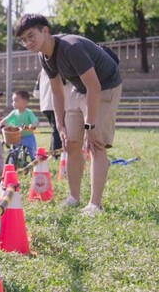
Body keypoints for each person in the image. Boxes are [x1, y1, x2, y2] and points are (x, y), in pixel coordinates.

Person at [15, 14, 122, 216]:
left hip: (105, 86)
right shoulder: (43, 56)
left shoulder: (70, 48)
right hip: (79, 89)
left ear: (45, 30)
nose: (28, 42)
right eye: (24, 40)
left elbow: (95, 87)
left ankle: (94, 204)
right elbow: (56, 91)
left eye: (31, 36)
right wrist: (60, 126)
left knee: (95, 143)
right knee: (71, 142)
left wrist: (90, 128)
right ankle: (74, 197)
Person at [0, 91, 39, 161]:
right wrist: (1, 123)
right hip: (16, 137)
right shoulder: (14, 113)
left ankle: (35, 165)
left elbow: (35, 121)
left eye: (16, 100)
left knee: (33, 153)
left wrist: (32, 125)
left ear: (24, 102)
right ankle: (12, 166)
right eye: (13, 101)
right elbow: (6, 119)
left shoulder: (28, 113)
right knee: (13, 152)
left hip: (28, 136)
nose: (13, 103)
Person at [33, 68, 63, 154]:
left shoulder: (41, 71)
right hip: (55, 104)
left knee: (55, 129)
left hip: (45, 105)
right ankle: (55, 153)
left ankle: (52, 150)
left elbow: (36, 93)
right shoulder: (59, 68)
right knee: (57, 130)